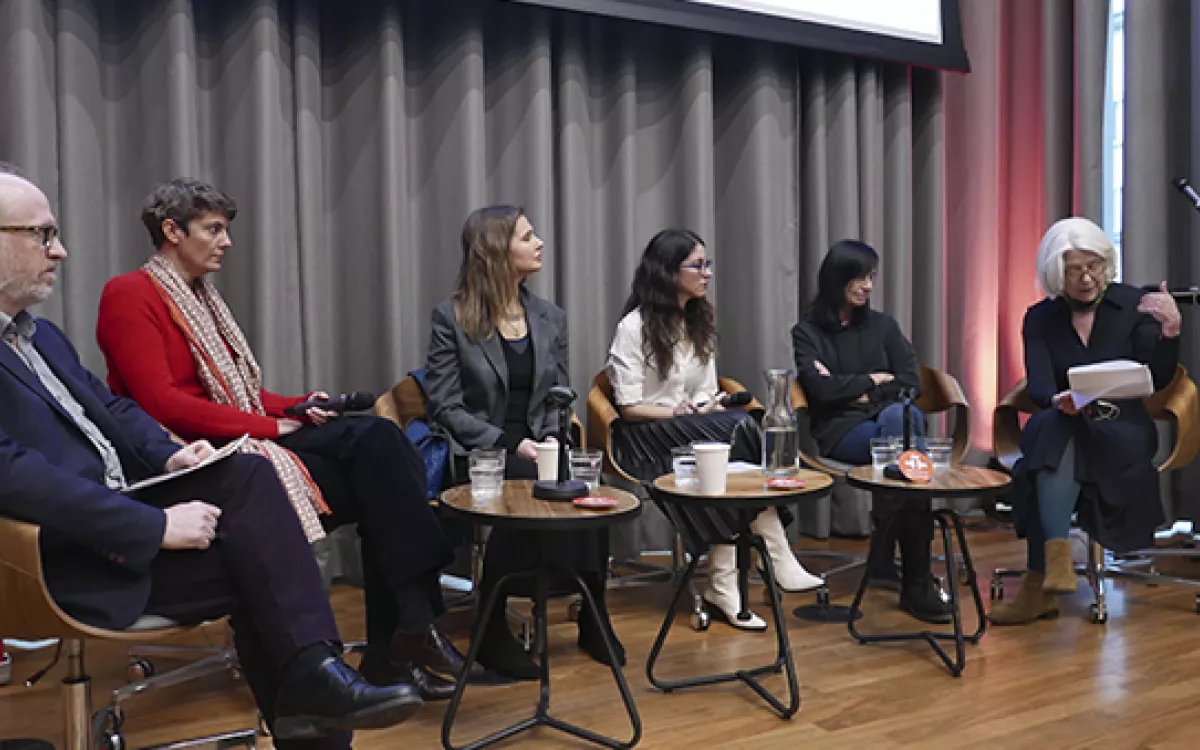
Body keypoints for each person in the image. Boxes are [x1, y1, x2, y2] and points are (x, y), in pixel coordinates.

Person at [0, 169, 420, 747]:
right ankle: (323, 689)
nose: (61, 250)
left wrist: (170, 457)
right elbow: (13, 475)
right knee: (264, 556)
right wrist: (154, 524)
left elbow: (113, 410)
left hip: (123, 511)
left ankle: (317, 685)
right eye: (42, 235)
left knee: (254, 484)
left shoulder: (38, 336)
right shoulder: (122, 299)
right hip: (63, 555)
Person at [95, 179, 472, 701]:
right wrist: (271, 427)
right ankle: (405, 635)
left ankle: (407, 631)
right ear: (171, 231)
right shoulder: (129, 293)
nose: (226, 241)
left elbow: (243, 394)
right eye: (214, 229)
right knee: (377, 467)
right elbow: (162, 403)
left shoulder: (204, 298)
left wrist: (295, 406)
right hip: (188, 454)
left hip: (239, 433)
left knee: (380, 442)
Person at [424, 205, 622, 679]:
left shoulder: (550, 317)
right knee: (534, 481)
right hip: (481, 454)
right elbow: (445, 407)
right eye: (527, 236)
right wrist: (514, 443)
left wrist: (553, 438)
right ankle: (490, 625)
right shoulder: (451, 318)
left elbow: (561, 393)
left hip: (541, 447)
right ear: (496, 250)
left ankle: (593, 613)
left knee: (589, 488)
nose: (539, 243)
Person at [606, 228, 823, 630]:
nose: (707, 274)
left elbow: (706, 393)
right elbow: (629, 407)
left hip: (695, 431)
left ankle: (726, 581)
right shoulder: (633, 328)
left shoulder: (698, 322)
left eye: (708, 265)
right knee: (739, 430)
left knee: (732, 432)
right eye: (698, 265)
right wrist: (676, 414)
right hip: (644, 438)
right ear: (670, 272)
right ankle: (773, 550)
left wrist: (707, 405)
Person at [989, 218, 1181, 625]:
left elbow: (1158, 377)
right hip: (1067, 419)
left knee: (1046, 447)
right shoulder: (1040, 318)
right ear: (1056, 273)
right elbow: (1039, 386)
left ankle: (1041, 579)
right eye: (1075, 269)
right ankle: (1054, 566)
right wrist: (1058, 399)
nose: (1087, 277)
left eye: (1093, 265)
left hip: (1121, 428)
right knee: (1055, 425)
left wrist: (1170, 330)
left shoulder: (1133, 305)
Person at [791, 240, 951, 623]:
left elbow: (911, 381)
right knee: (908, 444)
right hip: (842, 431)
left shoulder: (883, 326)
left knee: (901, 426)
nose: (867, 285)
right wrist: (872, 380)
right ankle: (915, 578)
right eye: (859, 278)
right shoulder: (808, 332)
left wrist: (857, 389)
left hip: (890, 419)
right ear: (837, 279)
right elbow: (820, 391)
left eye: (871, 277)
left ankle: (896, 563)